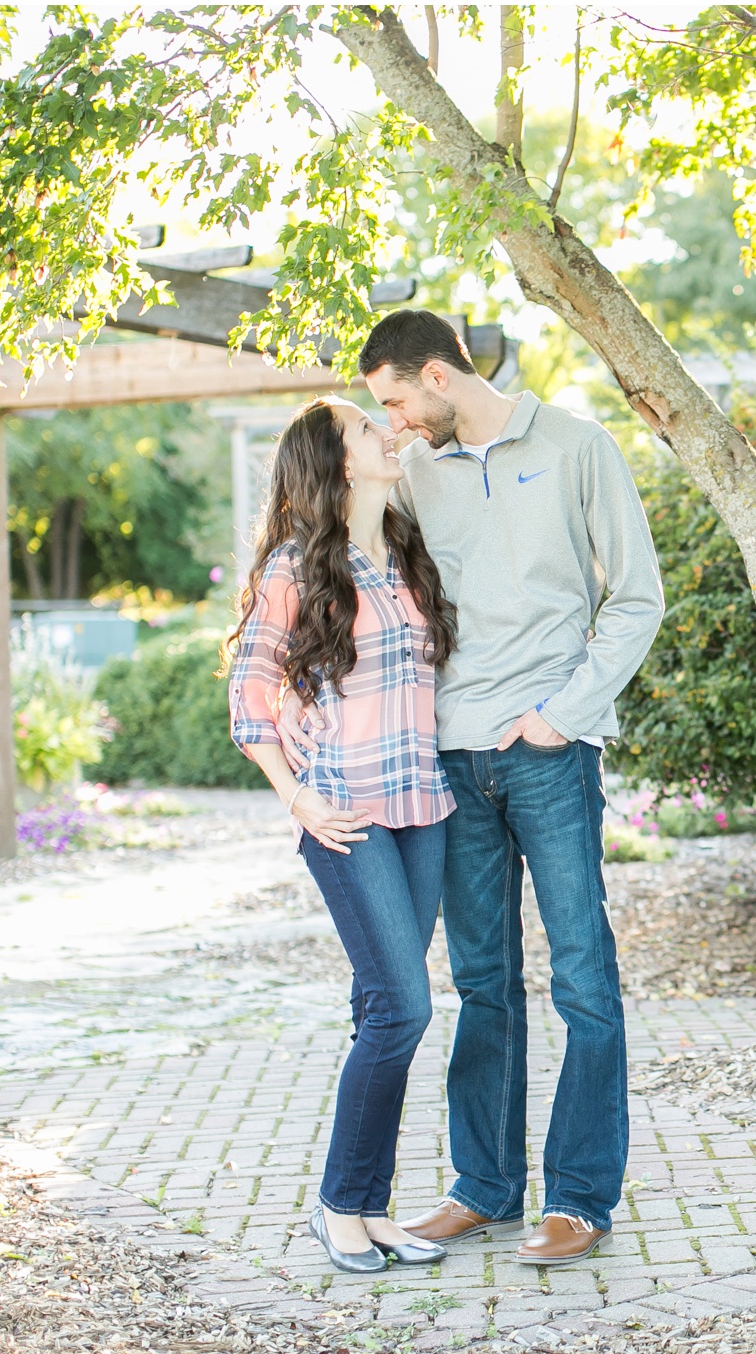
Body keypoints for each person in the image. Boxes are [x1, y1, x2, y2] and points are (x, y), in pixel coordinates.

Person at [280, 310, 664, 1266]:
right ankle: (484, 1186)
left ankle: (579, 1197)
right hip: (444, 766)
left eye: (399, 399)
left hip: (548, 751)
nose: (396, 421)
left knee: (582, 974)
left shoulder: (579, 447)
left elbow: (637, 597)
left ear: (442, 376)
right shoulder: (406, 475)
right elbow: (342, 572)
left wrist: (562, 712)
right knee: (482, 984)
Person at [224, 396, 461, 1273]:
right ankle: (336, 1205)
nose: (386, 433)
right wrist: (299, 800)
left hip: (422, 811)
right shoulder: (294, 567)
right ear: (338, 462)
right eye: (369, 428)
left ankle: (368, 1205)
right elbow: (249, 703)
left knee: (381, 1008)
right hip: (346, 815)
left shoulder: (402, 553)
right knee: (405, 1006)